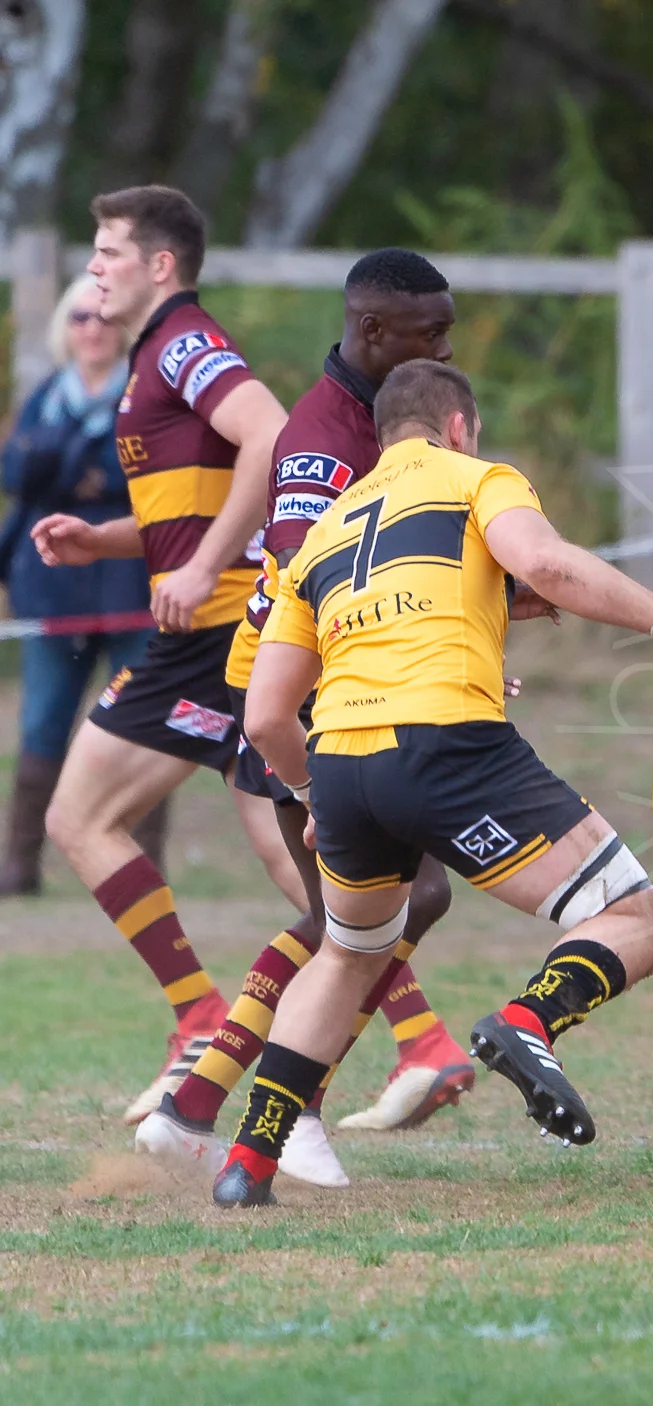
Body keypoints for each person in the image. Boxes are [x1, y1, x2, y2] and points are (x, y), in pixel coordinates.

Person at [213, 359, 653, 1206]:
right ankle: (528, 1020)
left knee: (349, 952)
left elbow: (263, 718)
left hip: (344, 762)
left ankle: (247, 1164)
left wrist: (314, 793)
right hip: (446, 745)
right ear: (458, 426)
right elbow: (546, 564)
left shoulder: (323, 532)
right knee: (637, 921)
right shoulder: (478, 480)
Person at [133, 251, 473, 1185]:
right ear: (373, 332)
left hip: (347, 693)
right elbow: (313, 580)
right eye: (430, 332)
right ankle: (291, 1106)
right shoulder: (323, 443)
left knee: (353, 916)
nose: (447, 345)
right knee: (369, 915)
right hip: (305, 703)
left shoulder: (386, 416)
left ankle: (199, 1102)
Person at [30, 186, 292, 1124]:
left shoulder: (182, 343)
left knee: (80, 815)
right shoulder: (154, 354)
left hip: (216, 633)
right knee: (294, 858)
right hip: (230, 627)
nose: (93, 268)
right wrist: (104, 539)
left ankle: (200, 1019)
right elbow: (187, 507)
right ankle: (419, 1043)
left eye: (108, 252)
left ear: (160, 267)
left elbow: (270, 435)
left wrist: (212, 562)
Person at [0, 274, 161, 894]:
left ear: (123, 325)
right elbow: (19, 472)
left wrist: (70, 471)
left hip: (134, 592)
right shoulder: (47, 395)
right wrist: (86, 468)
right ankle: (19, 867)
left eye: (102, 317)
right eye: (79, 319)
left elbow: (149, 482)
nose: (92, 329)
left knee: (145, 727)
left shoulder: (147, 397)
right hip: (54, 595)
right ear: (64, 329)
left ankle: (145, 868)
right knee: (42, 721)